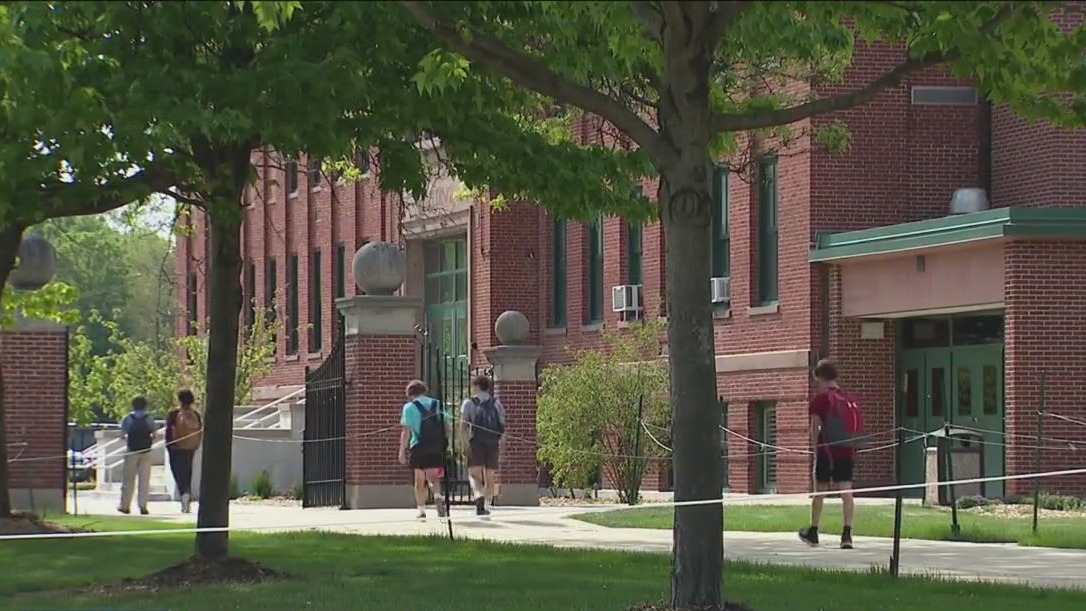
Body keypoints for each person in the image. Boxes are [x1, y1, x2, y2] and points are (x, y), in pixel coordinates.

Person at [799, 359, 863, 549]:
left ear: (819, 376)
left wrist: (815, 448)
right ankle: (847, 534)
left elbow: (815, 426)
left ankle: (814, 530)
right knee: (846, 490)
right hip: (846, 449)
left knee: (820, 492)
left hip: (826, 450)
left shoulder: (821, 399)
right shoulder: (848, 397)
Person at [398, 380, 452, 521]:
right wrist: (445, 442)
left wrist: (402, 450)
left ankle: (421, 510)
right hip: (436, 446)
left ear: (410, 394)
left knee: (419, 480)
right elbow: (448, 427)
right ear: (424, 390)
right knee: (434, 477)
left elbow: (406, 431)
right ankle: (438, 495)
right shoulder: (437, 404)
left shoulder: (409, 407)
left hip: (418, 445)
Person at [460, 374, 506, 518]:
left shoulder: (468, 403)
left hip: (476, 443)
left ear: (476, 386)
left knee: (473, 474)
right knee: (490, 475)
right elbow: (502, 426)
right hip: (492, 443)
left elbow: (463, 427)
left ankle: (478, 495)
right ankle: (487, 505)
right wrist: (500, 443)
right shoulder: (496, 403)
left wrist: (464, 444)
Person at [117, 395, 161, 515]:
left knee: (128, 480)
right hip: (146, 451)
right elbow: (155, 435)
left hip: (132, 451)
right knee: (144, 480)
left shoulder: (127, 418)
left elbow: (122, 435)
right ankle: (143, 506)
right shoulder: (149, 418)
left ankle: (125, 505)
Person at [165, 389, 203, 513]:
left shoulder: (174, 413)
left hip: (176, 447)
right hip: (190, 447)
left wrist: (169, 445)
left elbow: (169, 430)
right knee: (187, 472)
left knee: (177, 472)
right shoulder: (195, 414)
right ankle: (187, 494)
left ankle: (184, 495)